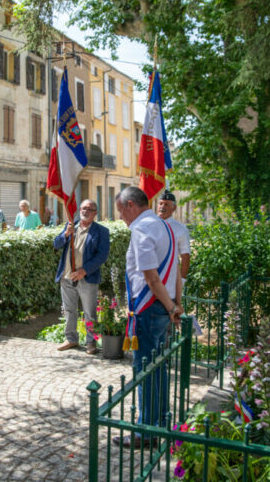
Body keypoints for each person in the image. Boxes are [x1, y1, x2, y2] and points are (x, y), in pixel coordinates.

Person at [112, 187, 182, 448]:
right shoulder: (164, 226)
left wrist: (171, 306)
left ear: (131, 205)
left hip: (149, 309)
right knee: (159, 367)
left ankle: (146, 431)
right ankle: (161, 422)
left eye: (121, 210)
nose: (120, 216)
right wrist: (176, 304)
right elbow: (174, 270)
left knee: (145, 370)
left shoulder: (142, 229)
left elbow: (151, 277)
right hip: (162, 308)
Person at [54, 199, 110, 355]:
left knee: (89, 312)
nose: (85, 211)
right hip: (67, 277)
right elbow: (56, 244)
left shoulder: (102, 231)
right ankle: (71, 339)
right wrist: (66, 234)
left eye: (89, 209)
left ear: (95, 213)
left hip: (87, 278)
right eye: (83, 208)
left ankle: (91, 342)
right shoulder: (71, 226)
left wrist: (84, 270)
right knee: (69, 310)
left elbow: (102, 256)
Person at [156, 191, 191, 287]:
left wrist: (182, 280)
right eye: (160, 203)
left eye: (166, 204)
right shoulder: (149, 225)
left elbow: (185, 256)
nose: (162, 207)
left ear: (174, 208)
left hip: (169, 280)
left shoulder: (180, 229)